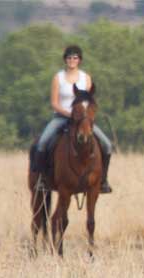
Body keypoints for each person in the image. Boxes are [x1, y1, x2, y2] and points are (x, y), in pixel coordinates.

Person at [31, 45, 114, 193]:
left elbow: (89, 102)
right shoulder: (58, 78)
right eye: (69, 57)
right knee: (42, 143)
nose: (72, 60)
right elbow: (54, 103)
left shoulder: (86, 78)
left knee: (107, 145)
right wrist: (69, 115)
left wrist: (85, 116)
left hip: (83, 121)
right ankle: (42, 180)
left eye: (75, 57)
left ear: (79, 60)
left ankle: (103, 181)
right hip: (61, 117)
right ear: (65, 60)